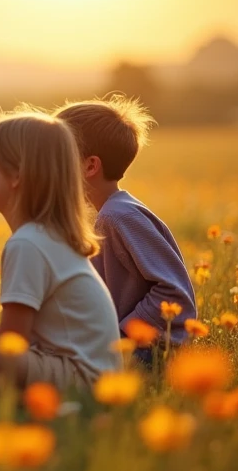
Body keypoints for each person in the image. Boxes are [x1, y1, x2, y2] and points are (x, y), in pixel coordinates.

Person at [0, 110, 121, 394]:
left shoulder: (27, 244)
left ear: (17, 174)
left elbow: (12, 343)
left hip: (79, 382)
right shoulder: (44, 236)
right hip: (83, 373)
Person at [54, 98, 197, 363]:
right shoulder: (111, 213)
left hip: (147, 352)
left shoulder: (119, 216)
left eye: (56, 156)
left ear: (90, 166)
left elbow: (173, 292)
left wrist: (119, 337)